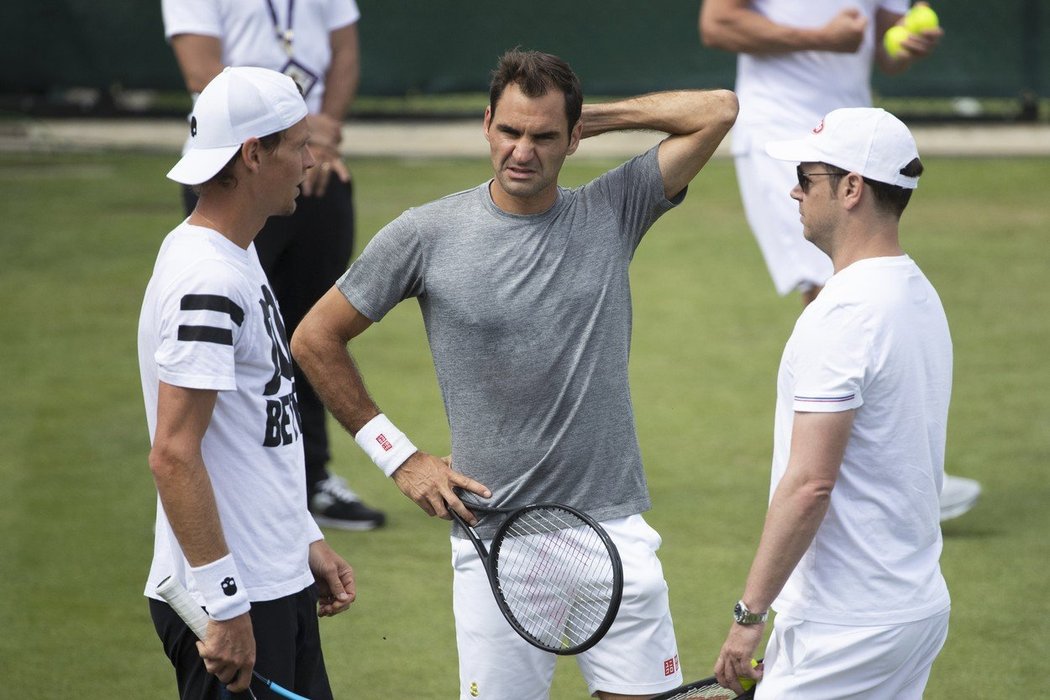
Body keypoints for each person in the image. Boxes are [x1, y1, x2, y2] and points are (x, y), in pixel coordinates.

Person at [291, 49, 738, 700]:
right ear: (486, 125)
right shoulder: (426, 234)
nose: (522, 150)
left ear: (572, 138)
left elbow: (716, 111)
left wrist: (590, 118)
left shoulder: (615, 209)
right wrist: (401, 458)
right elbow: (314, 338)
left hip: (615, 536)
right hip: (496, 546)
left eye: (544, 135)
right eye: (509, 130)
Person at [698, 0, 980, 521]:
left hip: (856, 135)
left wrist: (903, 45)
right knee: (833, 291)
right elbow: (718, 23)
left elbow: (883, 46)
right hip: (781, 129)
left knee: (865, 278)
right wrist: (822, 38)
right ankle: (853, 475)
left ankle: (876, 470)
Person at [714, 107, 951, 698]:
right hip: (911, 608)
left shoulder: (843, 315)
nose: (795, 191)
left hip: (846, 626)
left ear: (852, 189)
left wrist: (749, 617)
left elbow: (810, 483)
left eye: (807, 176)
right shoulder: (916, 293)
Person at [138, 66, 355, 699]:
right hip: (235, 598)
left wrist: (303, 538)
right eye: (297, 144)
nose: (312, 161)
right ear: (253, 155)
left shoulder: (238, 252)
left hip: (271, 577)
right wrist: (226, 604)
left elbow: (258, 426)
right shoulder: (207, 278)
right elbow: (173, 454)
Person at [161, 0, 386, 530]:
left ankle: (309, 477)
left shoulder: (307, 154)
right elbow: (201, 70)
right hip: (242, 159)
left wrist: (317, 137)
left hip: (306, 154)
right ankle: (219, 483)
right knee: (236, 340)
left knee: (311, 328)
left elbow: (345, 51)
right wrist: (282, 135)